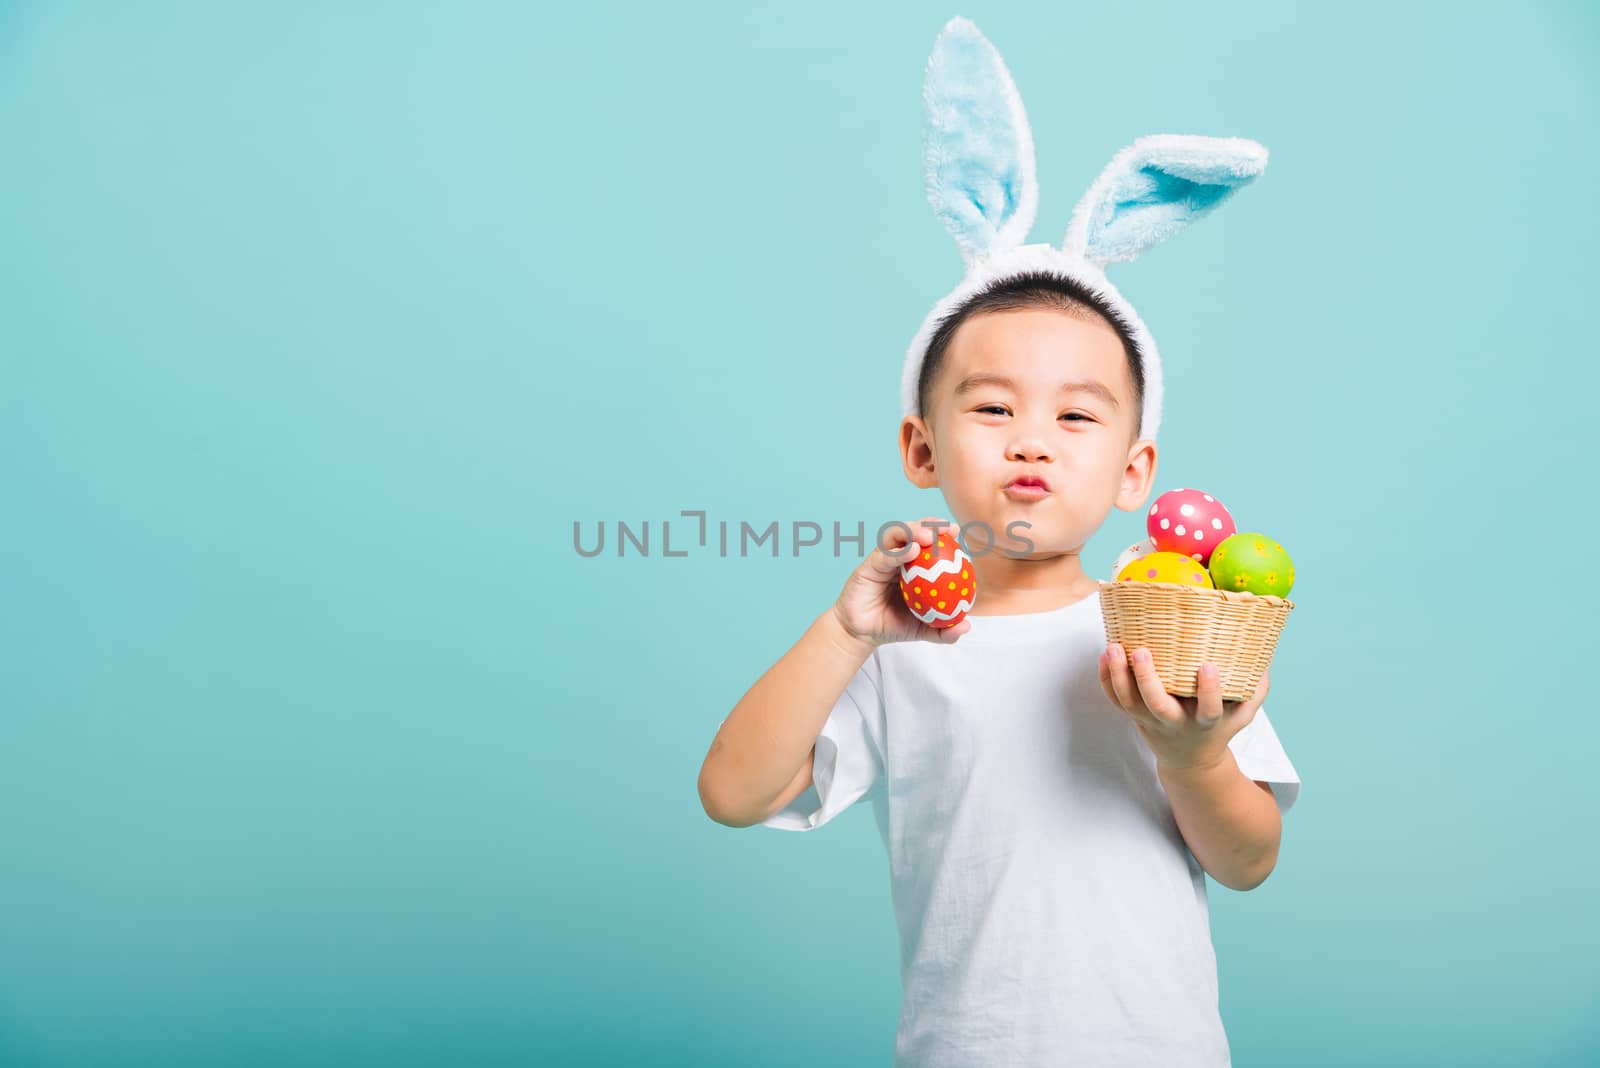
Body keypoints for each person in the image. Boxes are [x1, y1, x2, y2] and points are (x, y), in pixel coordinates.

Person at [697, 17, 1300, 1066]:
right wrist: (845, 633)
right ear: (919, 449)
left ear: (1132, 475)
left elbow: (1248, 862)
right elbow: (733, 794)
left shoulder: (1167, 630)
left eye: (1075, 417)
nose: (1031, 441)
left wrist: (1194, 753)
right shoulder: (897, 646)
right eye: (990, 411)